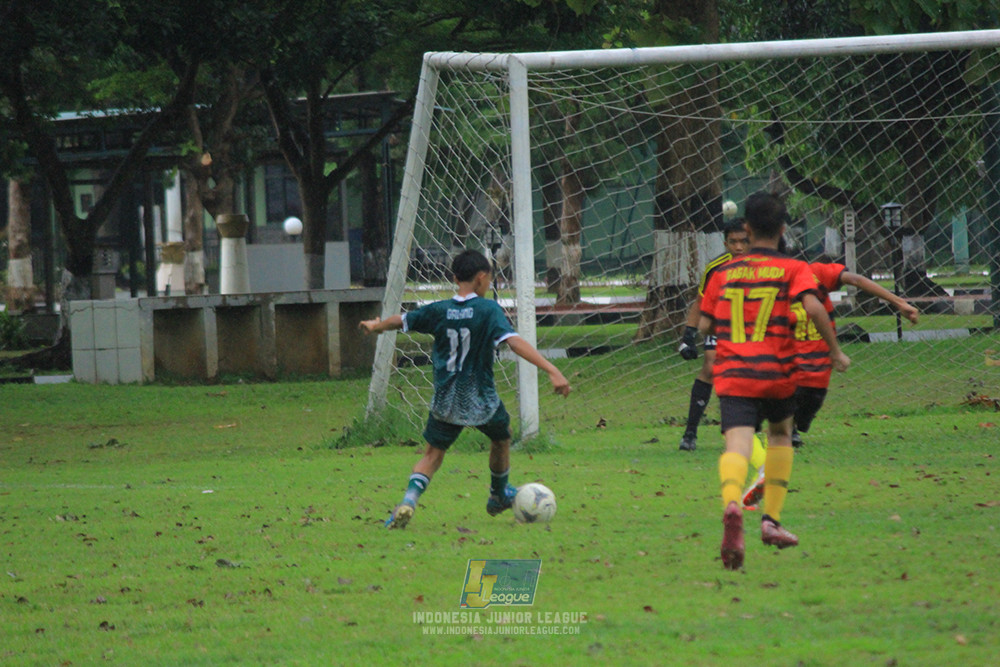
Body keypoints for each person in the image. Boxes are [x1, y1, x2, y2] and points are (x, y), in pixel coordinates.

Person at [359, 249, 571, 529]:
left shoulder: (439, 310)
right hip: (481, 398)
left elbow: (401, 320)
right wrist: (552, 370)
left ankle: (409, 500)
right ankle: (498, 494)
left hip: (446, 398)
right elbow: (514, 342)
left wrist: (377, 326)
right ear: (482, 278)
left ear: (456, 278)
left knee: (432, 455)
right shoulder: (488, 310)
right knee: (502, 437)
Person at [698, 192, 850, 570]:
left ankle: (732, 502)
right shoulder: (794, 267)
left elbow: (705, 322)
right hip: (778, 371)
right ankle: (771, 521)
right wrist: (834, 351)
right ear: (783, 230)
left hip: (733, 374)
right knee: (781, 435)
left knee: (736, 443)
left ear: (746, 229)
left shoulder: (723, 273)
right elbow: (814, 306)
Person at [741, 260, 919, 508]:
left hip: (815, 374)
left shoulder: (816, 273)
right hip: (793, 371)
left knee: (790, 424)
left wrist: (898, 302)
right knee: (771, 423)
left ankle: (772, 458)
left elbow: (856, 280)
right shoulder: (769, 283)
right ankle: (769, 474)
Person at [677, 217, 751, 451]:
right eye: (733, 242)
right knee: (710, 367)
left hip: (755, 328)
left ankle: (788, 429)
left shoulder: (764, 264)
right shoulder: (715, 268)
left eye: (743, 241)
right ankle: (690, 433)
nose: (738, 247)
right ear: (725, 243)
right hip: (723, 327)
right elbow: (700, 303)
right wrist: (688, 336)